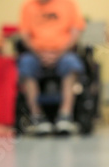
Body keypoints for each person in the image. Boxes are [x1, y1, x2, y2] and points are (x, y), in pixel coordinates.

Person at [19, 0, 86, 135]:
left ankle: (65, 115)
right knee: (25, 63)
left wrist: (58, 53)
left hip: (63, 53)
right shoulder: (28, 6)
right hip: (36, 55)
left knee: (72, 63)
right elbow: (24, 35)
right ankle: (37, 116)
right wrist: (40, 53)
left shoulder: (68, 4)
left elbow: (75, 32)